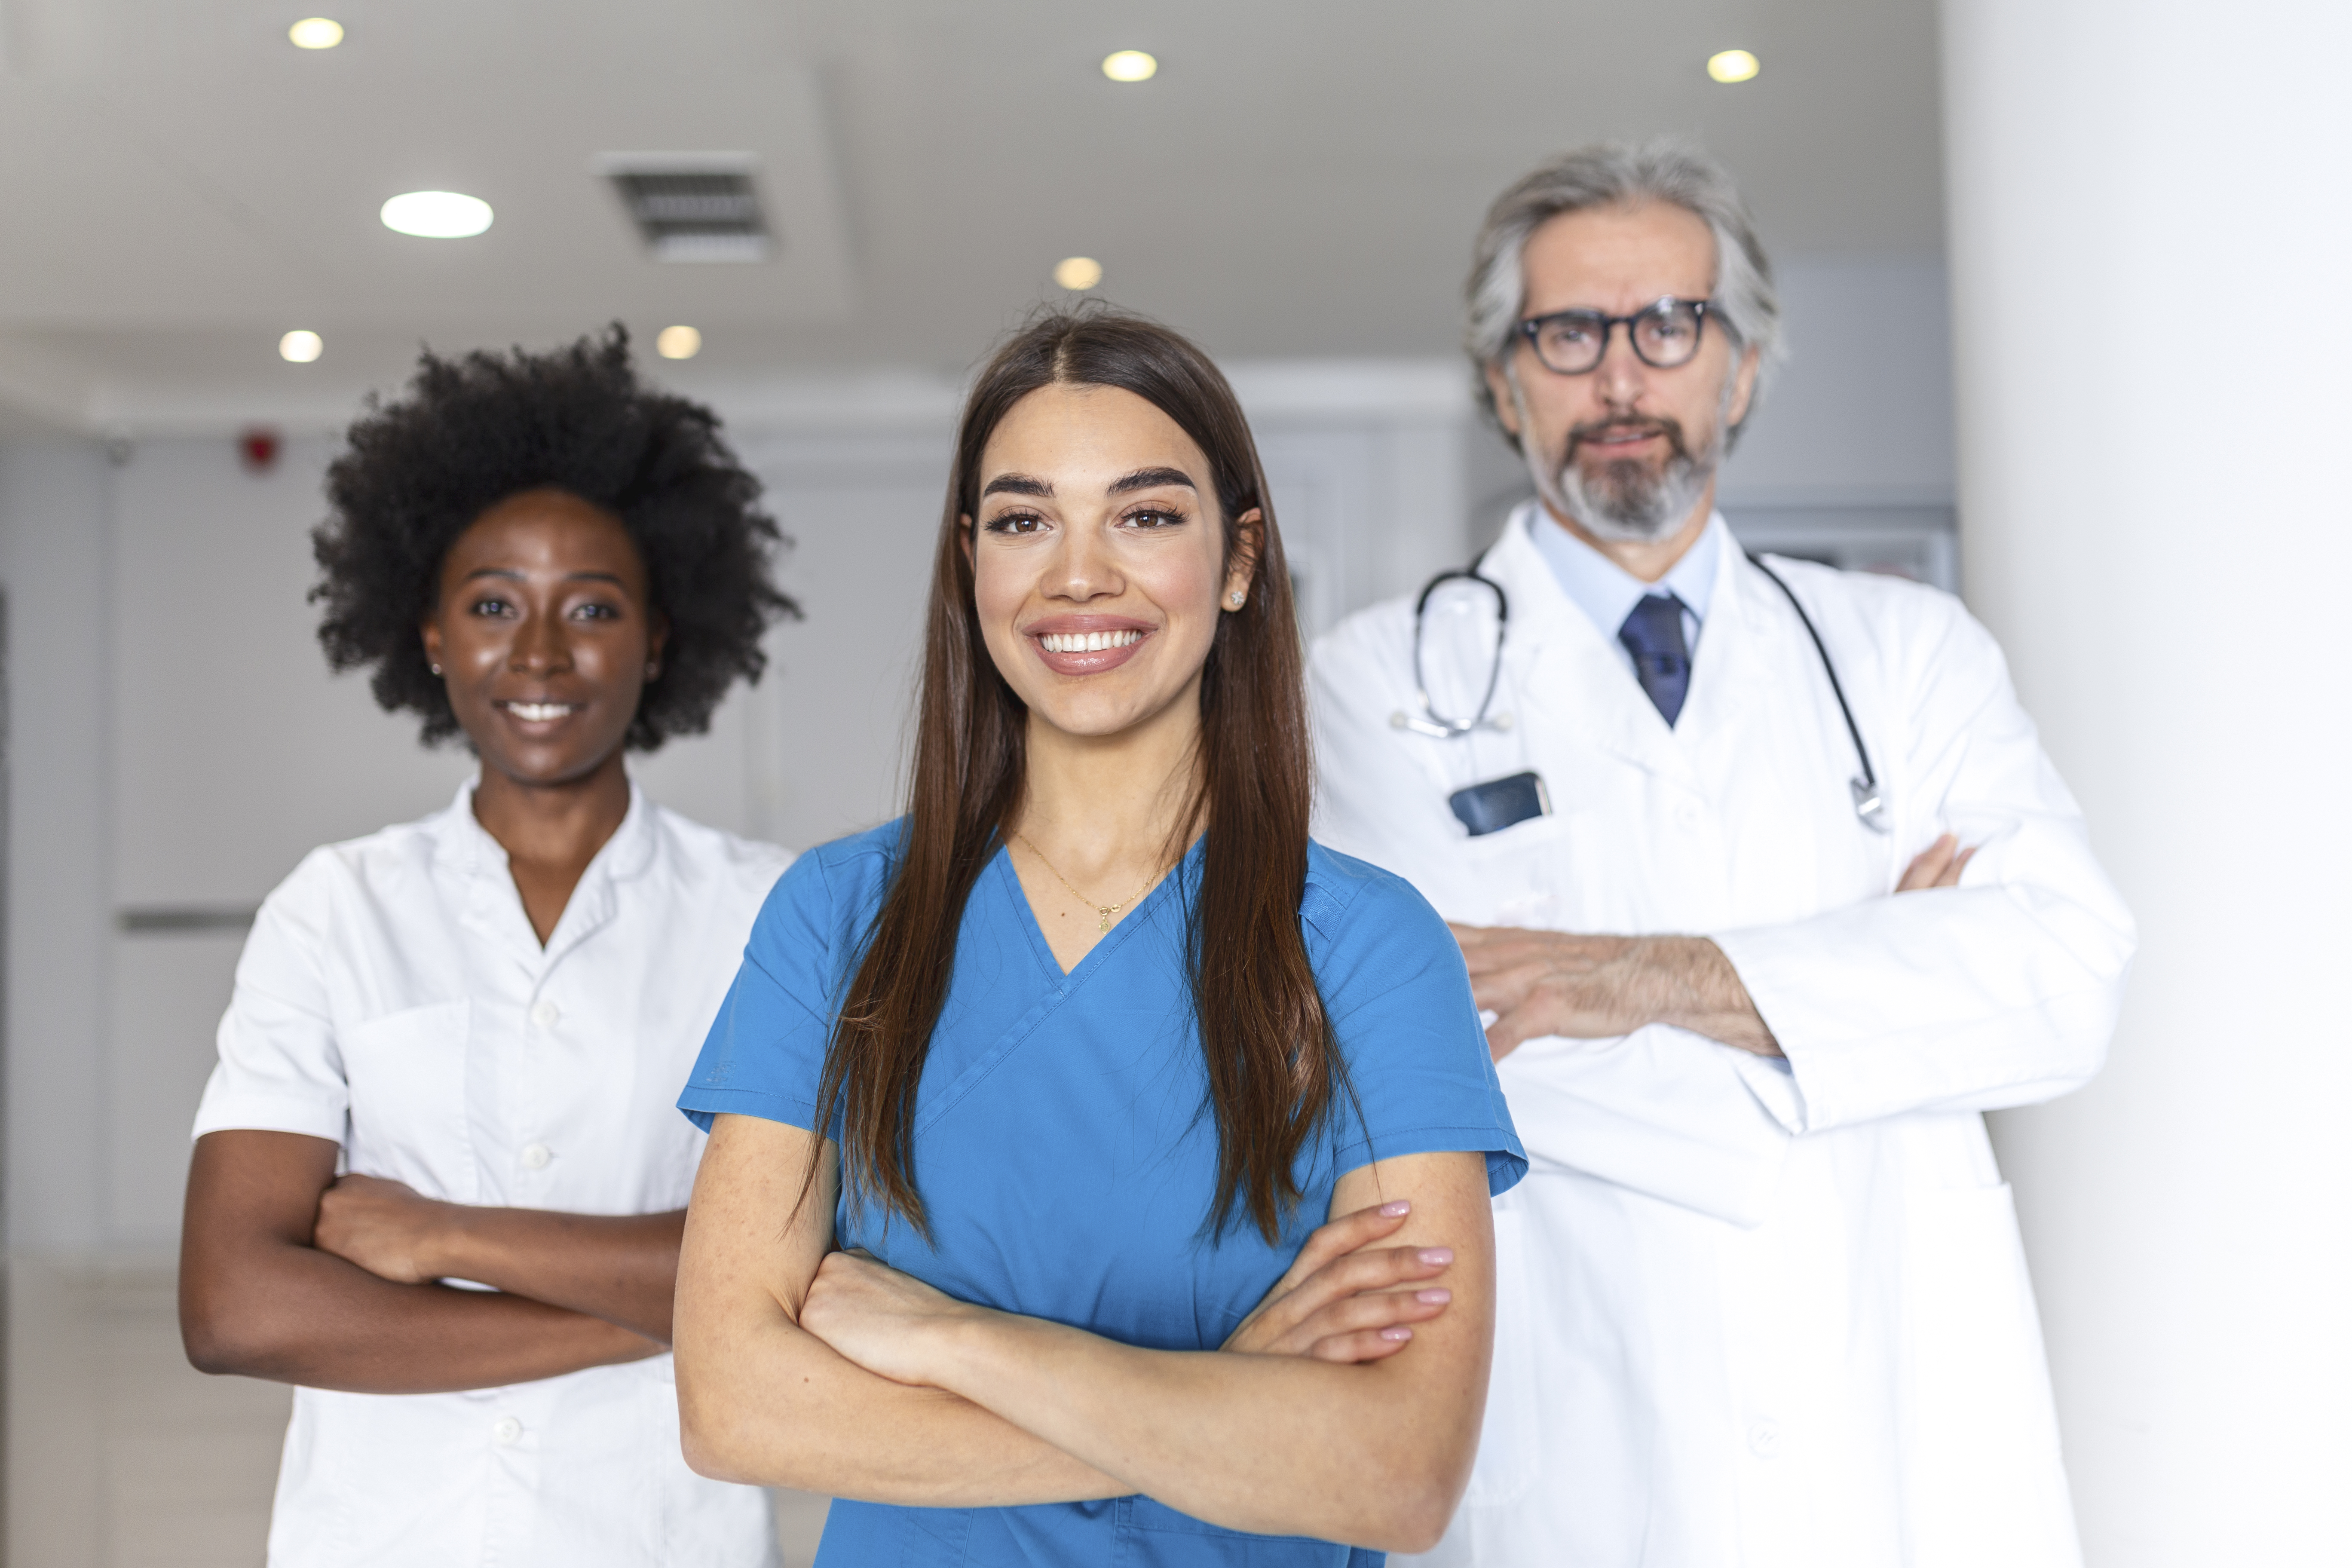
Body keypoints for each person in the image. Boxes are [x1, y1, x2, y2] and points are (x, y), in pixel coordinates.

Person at [1308, 143, 2138, 1568]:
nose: (1621, 378)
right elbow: (1409, 1062)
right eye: (1568, 334)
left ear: (1740, 368)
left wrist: (1636, 979)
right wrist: (1883, 1003)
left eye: (1669, 326)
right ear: (1502, 380)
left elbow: (2067, 979)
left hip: (1893, 1456)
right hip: (1580, 1446)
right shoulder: (1369, 687)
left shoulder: (1906, 655)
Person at [669, 307, 1526, 1567]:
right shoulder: (842, 917)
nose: (1079, 574)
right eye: (1024, 521)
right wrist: (1224, 1397)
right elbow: (732, 1405)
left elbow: (1396, 1475)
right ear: (973, 565)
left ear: (1238, 562)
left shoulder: (1369, 950)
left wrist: (961, 1344)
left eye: (1144, 515)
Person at [178, 330, 799, 1568]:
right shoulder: (336, 908)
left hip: (661, 1533)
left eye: (595, 608)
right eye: (494, 605)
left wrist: (444, 1239)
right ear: (428, 634)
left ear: (661, 639)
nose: (540, 654)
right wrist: (659, 1315)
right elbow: (235, 1304)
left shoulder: (769, 912)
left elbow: (807, 1253)